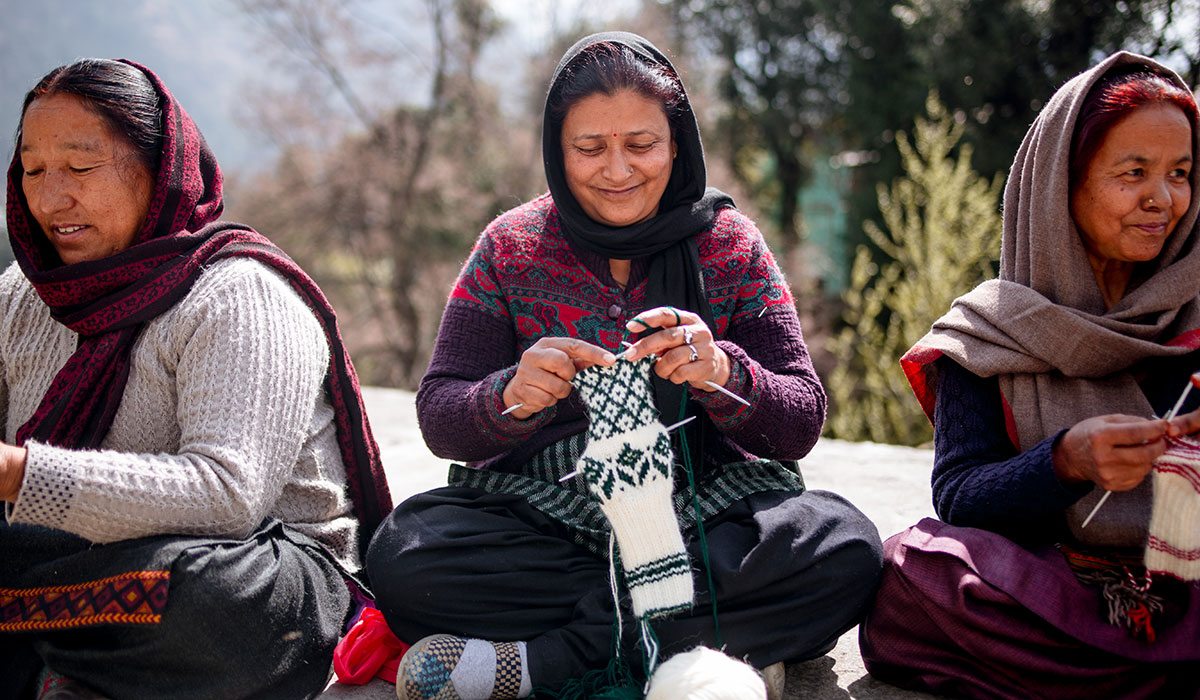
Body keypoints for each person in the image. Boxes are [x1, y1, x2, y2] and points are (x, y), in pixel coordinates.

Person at [366, 31, 883, 700]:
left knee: (845, 548)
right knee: (404, 557)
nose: (617, 171)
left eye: (641, 145)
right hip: (550, 519)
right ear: (557, 150)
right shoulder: (511, 246)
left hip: (704, 514)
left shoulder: (729, 245)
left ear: (676, 142)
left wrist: (723, 373)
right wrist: (510, 395)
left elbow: (800, 419)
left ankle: (548, 660)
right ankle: (705, 654)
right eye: (589, 148)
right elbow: (442, 415)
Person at [0, 59, 392, 699]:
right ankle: (76, 665)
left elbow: (228, 495)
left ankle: (51, 658)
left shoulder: (239, 296)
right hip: (72, 566)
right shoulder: (20, 297)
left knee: (193, 592)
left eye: (79, 166)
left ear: (159, 171)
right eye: (32, 169)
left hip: (250, 578)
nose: (49, 198)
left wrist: (21, 474)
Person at [859, 52, 1200, 698]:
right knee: (915, 571)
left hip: (1190, 580)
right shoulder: (989, 333)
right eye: (1134, 173)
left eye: (1180, 173)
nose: (1163, 199)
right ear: (1059, 186)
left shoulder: (1196, 315)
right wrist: (1065, 462)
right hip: (1056, 590)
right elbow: (959, 496)